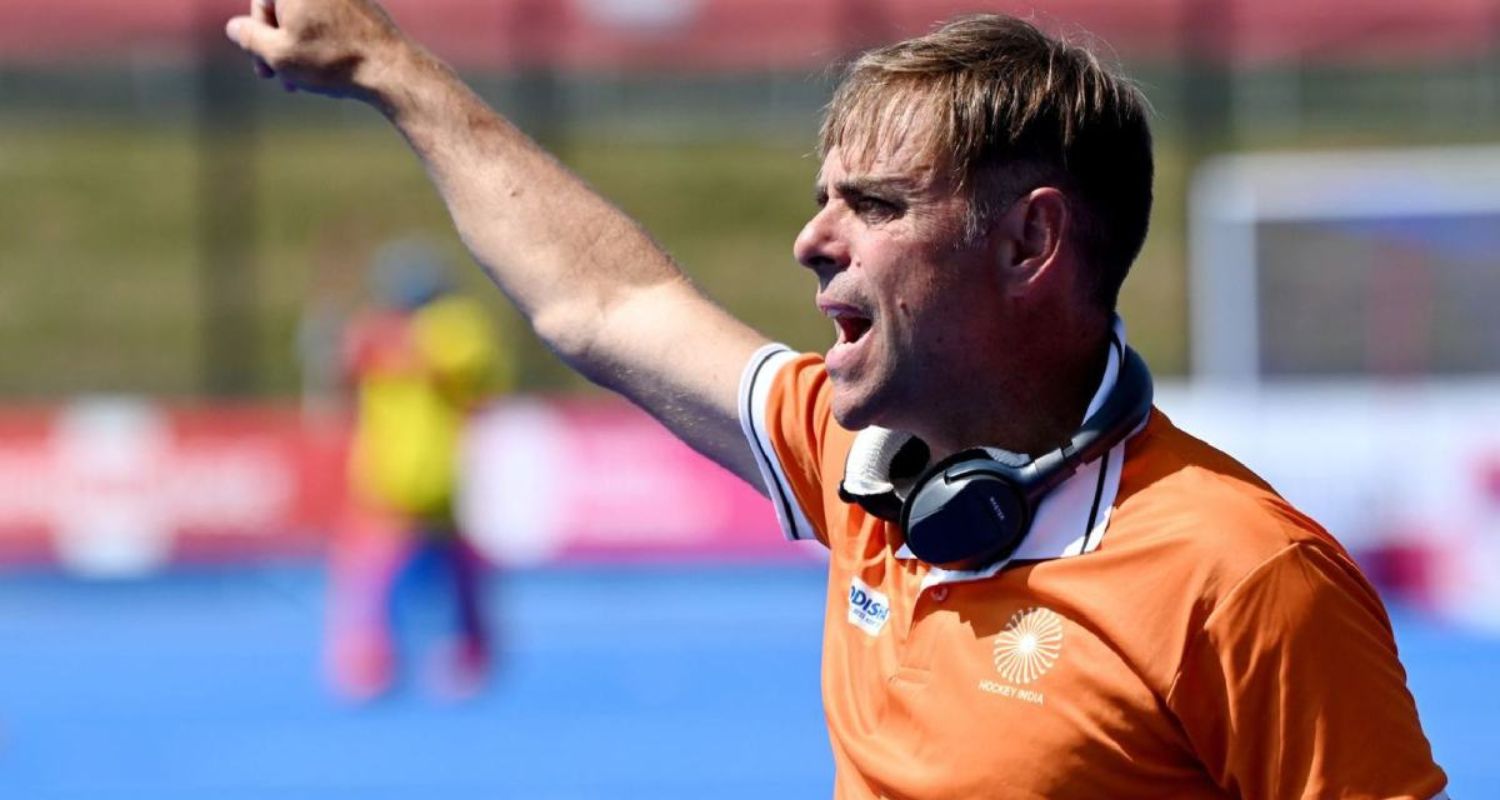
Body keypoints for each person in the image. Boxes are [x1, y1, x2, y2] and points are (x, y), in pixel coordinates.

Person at [226, 2, 1448, 796]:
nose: (812, 241)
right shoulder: (870, 468)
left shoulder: (1247, 575)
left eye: (874, 204)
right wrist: (389, 68)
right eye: (826, 199)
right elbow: (605, 301)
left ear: (1029, 243)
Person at [324, 237, 506, 700]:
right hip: (386, 472)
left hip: (438, 472)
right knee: (372, 570)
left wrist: (385, 341)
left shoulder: (457, 325)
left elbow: (456, 365)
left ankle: (468, 652)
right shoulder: (373, 330)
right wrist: (335, 347)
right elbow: (342, 381)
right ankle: (371, 661)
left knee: (451, 569)